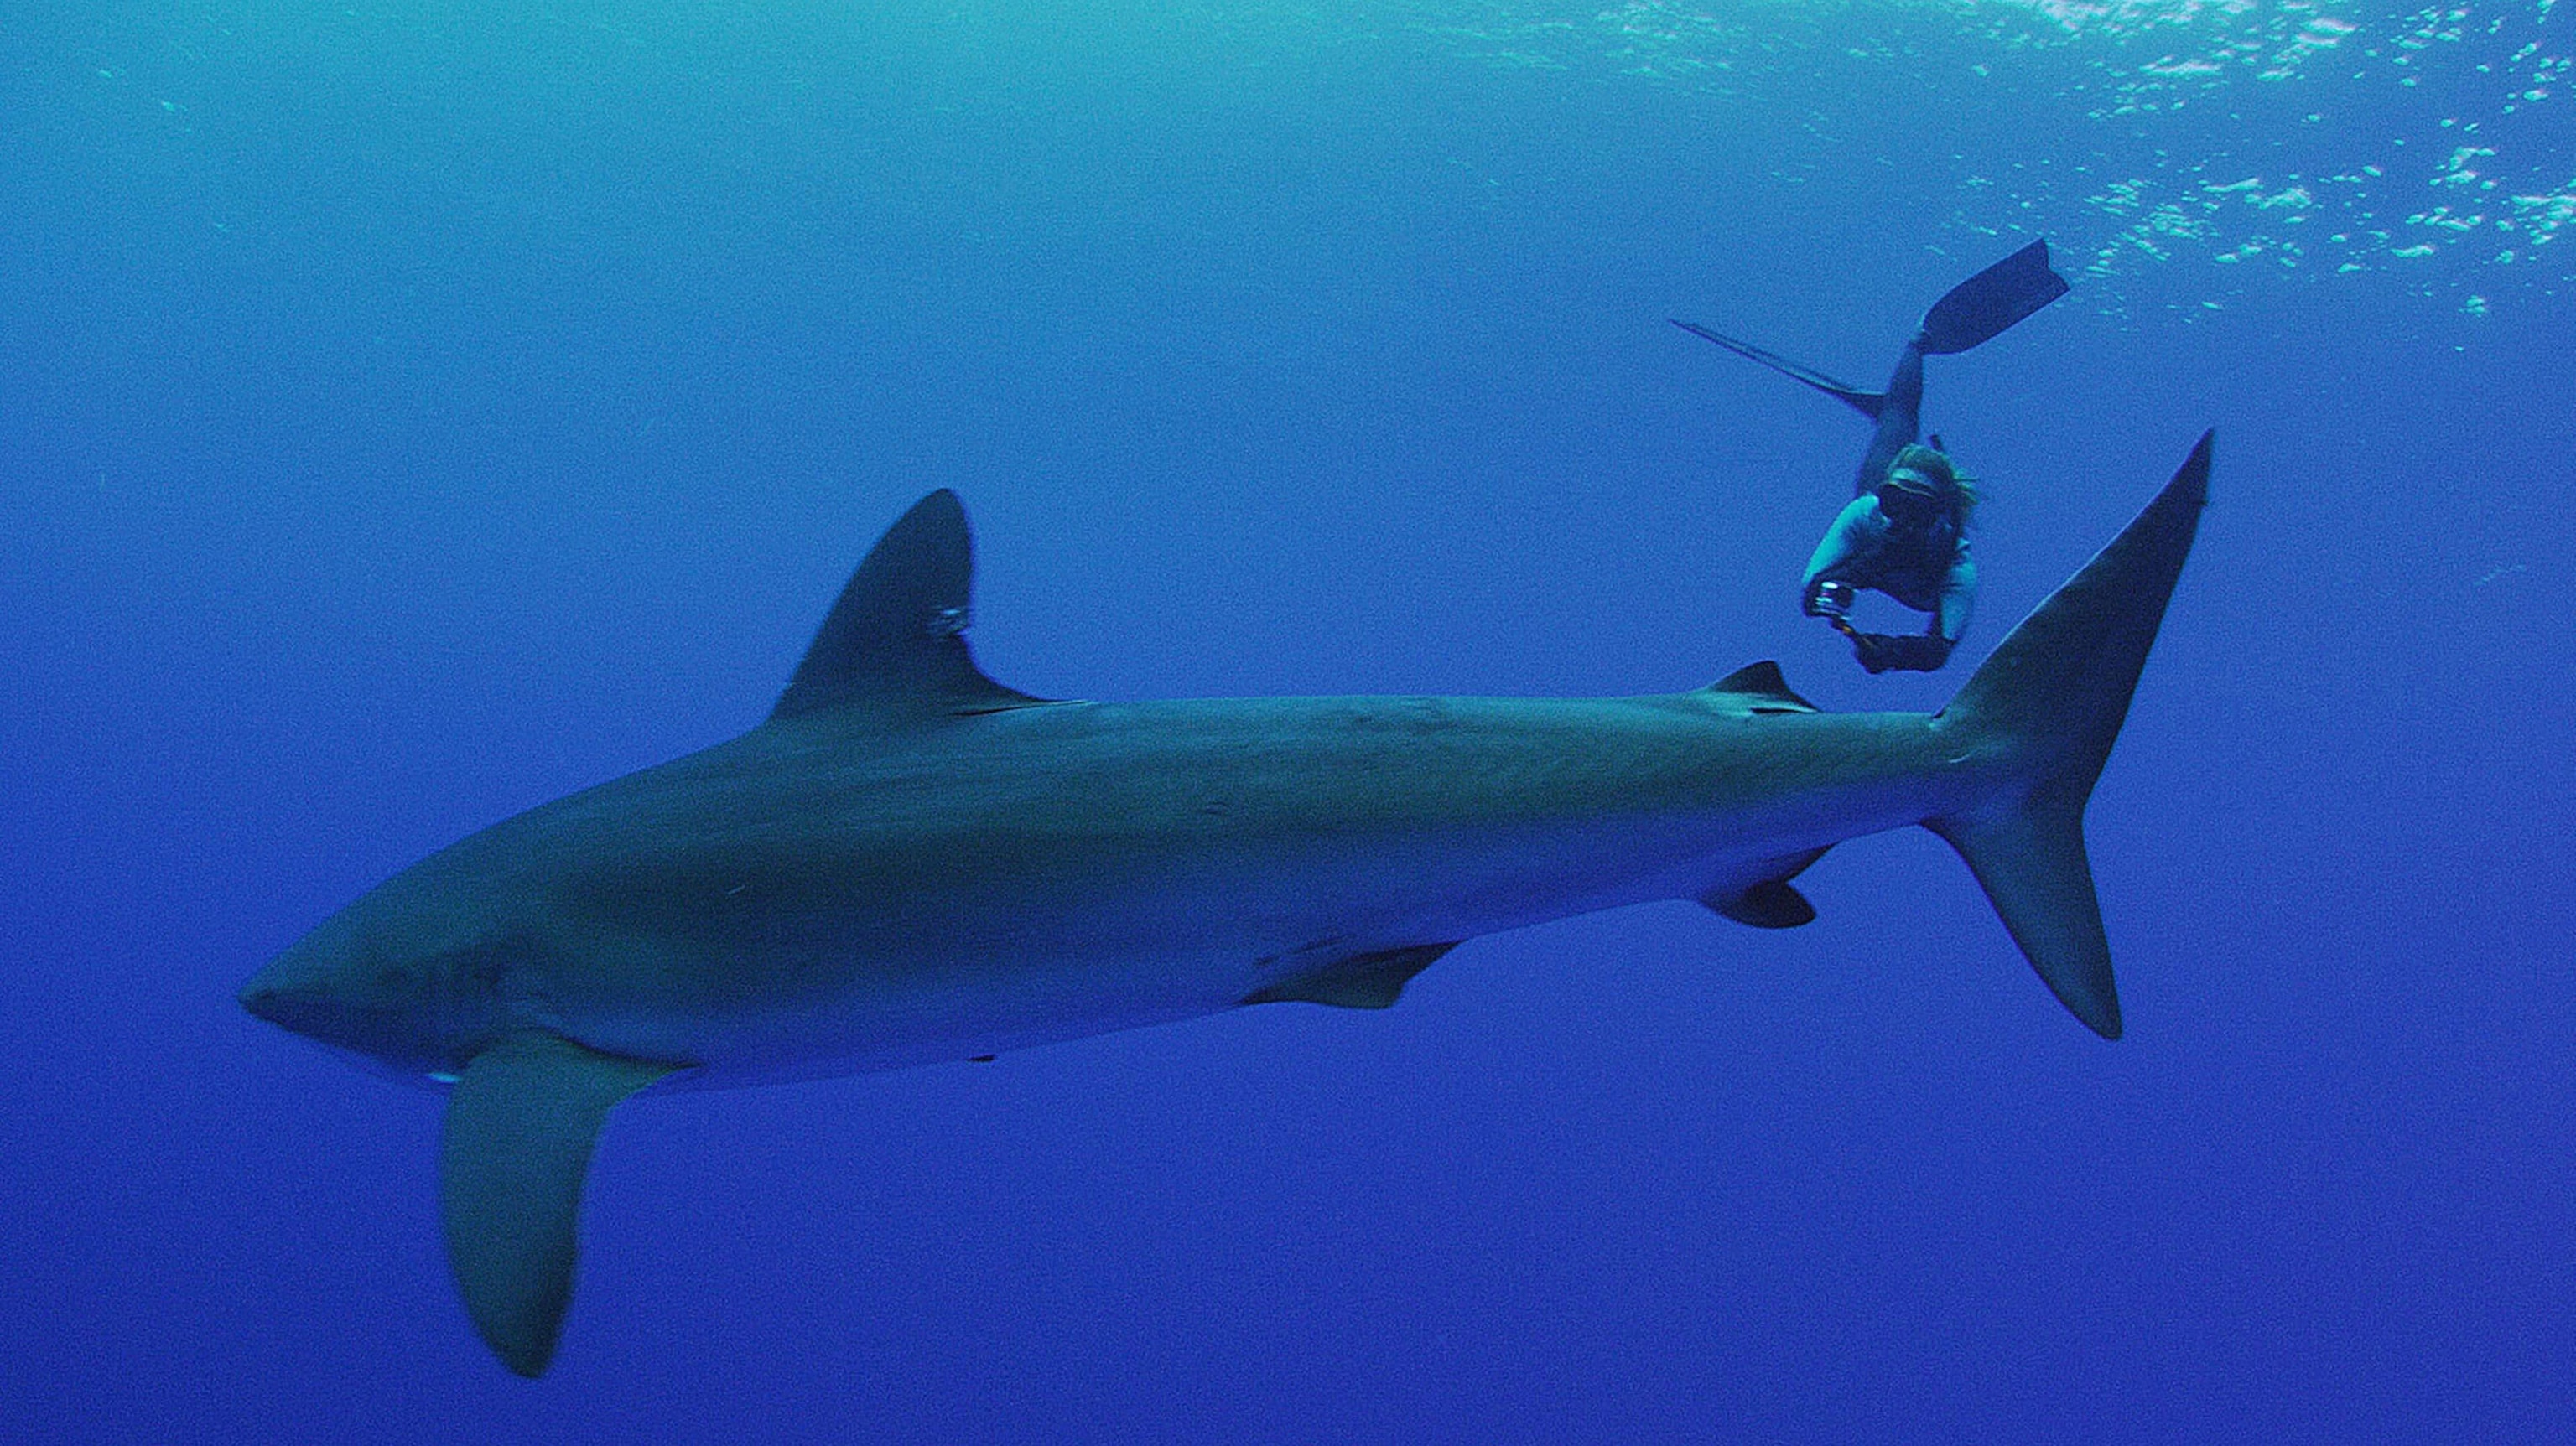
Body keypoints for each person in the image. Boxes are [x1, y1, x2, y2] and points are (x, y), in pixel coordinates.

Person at [1674, 240, 2068, 671]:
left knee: (1896, 425)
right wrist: (1864, 567)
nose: (1902, 518)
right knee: (1897, 421)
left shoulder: (1954, 563)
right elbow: (1811, 595)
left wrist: (1891, 651)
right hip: (1880, 484)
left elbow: (1940, 649)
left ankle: (1908, 374)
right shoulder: (1868, 513)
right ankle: (1918, 342)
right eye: (1897, 503)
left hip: (1895, 500)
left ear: (1940, 513)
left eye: (1917, 510)